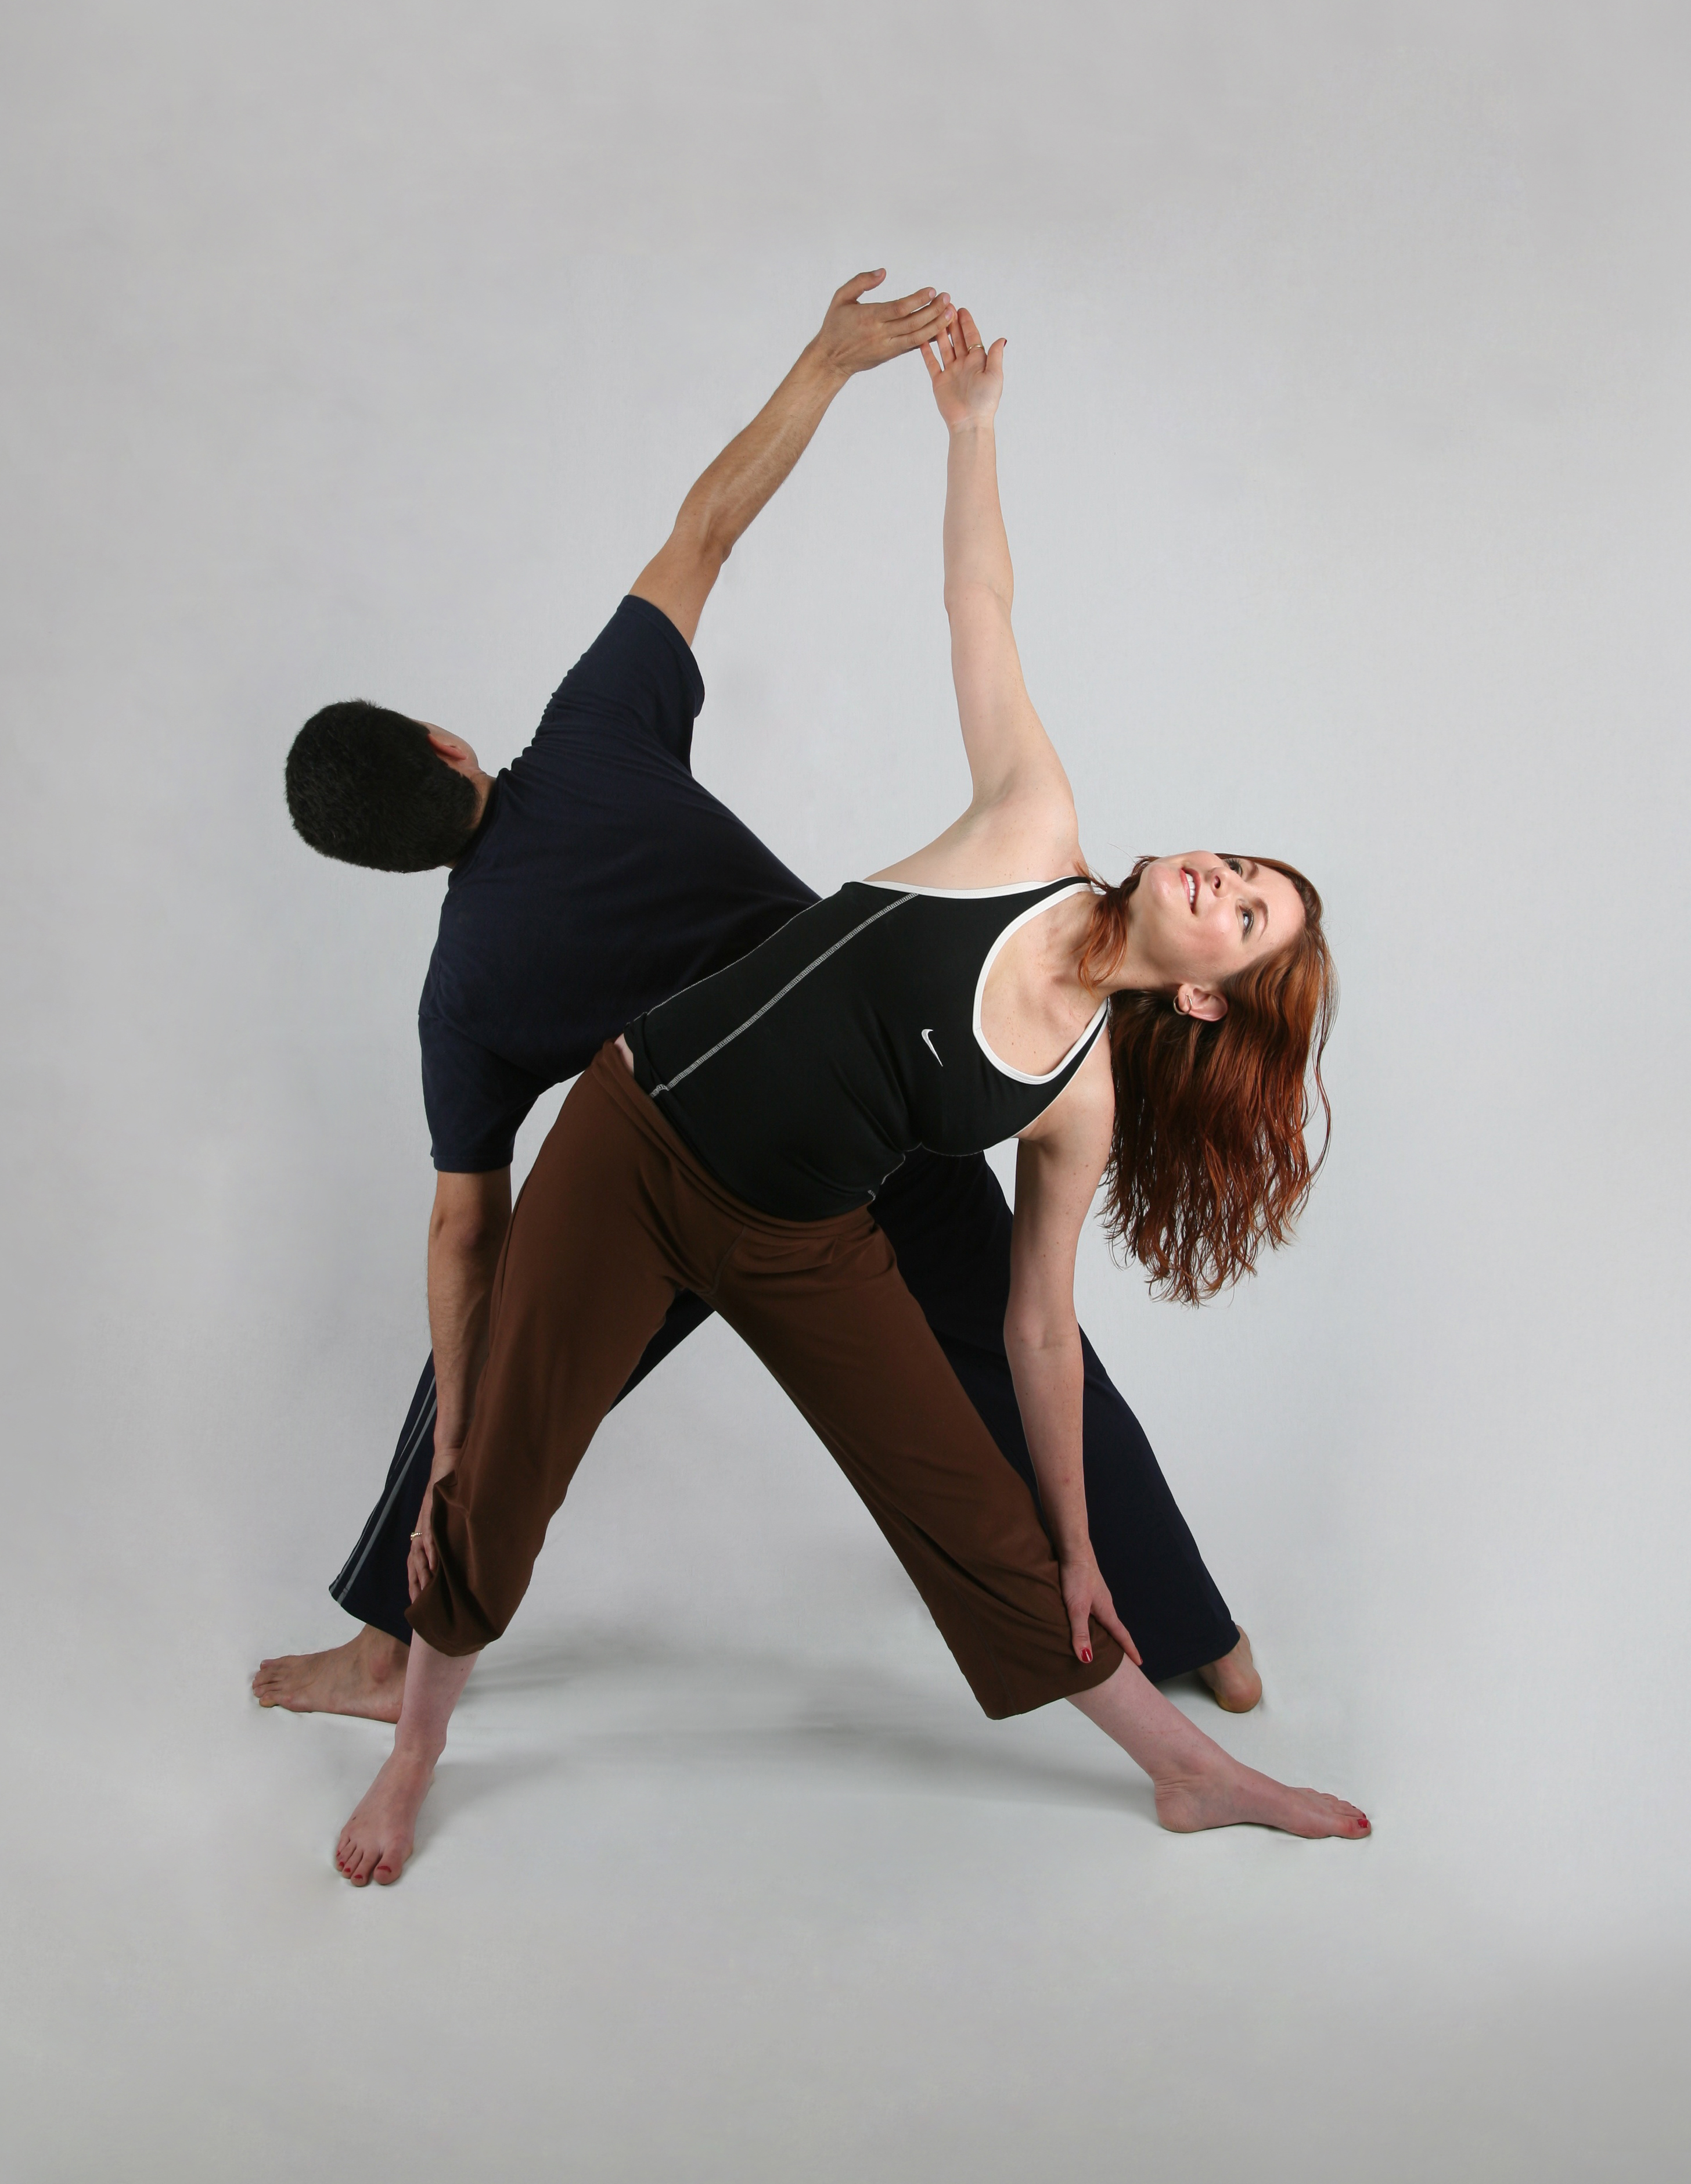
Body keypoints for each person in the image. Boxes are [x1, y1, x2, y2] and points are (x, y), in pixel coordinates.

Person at [329, 301, 1368, 1885]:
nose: (1224, 877)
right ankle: (412, 1752)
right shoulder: (1031, 828)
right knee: (497, 1482)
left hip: (810, 1235)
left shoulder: (1077, 1099)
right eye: (1239, 867)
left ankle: (1192, 1771)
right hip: (632, 1141)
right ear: (447, 747)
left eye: (1246, 909)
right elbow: (980, 602)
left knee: (980, 1518)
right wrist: (968, 433)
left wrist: (1080, 1547)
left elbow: (1036, 1333)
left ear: (1209, 990)